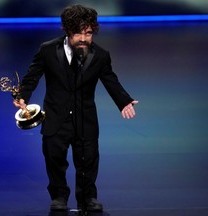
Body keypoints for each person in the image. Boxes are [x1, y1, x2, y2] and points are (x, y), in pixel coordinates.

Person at [13, 4, 138, 211]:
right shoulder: (47, 50)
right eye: (78, 33)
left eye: (88, 33)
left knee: (88, 161)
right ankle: (59, 196)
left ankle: (89, 197)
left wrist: (124, 100)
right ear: (67, 31)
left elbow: (110, 80)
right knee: (54, 159)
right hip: (55, 116)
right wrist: (22, 96)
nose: (83, 38)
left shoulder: (100, 55)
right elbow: (32, 77)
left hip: (85, 118)